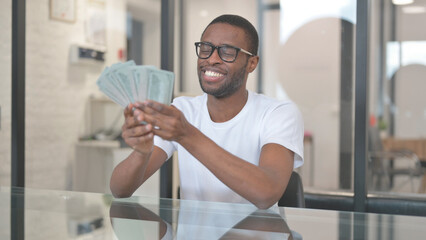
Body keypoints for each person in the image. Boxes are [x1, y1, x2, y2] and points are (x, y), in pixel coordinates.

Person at [110, 14, 304, 209]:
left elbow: (267, 192)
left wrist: (187, 134)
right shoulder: (183, 109)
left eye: (227, 52)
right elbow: (119, 190)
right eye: (205, 49)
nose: (211, 59)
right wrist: (141, 153)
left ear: (252, 63)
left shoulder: (277, 113)